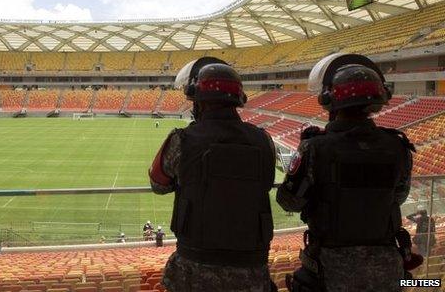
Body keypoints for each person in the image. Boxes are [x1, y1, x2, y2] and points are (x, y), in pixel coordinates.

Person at [276, 53, 418, 292]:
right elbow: (398, 197)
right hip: (388, 270)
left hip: (331, 270)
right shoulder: (398, 147)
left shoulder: (315, 147)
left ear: (329, 100)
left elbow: (289, 202)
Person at [149, 57, 277, 292]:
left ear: (198, 102)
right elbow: (267, 182)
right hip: (251, 270)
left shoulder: (182, 140)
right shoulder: (264, 141)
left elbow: (158, 183)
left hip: (194, 269)